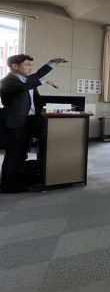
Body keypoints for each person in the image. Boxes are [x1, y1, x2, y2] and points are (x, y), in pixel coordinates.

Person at [0, 55, 66, 193]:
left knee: (22, 154)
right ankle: (8, 187)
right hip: (15, 123)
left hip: (27, 122)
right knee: (14, 155)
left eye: (31, 65)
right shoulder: (7, 81)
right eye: (27, 65)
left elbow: (38, 74)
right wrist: (44, 81)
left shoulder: (26, 79)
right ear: (15, 66)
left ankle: (17, 181)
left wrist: (51, 63)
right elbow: (21, 88)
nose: (30, 68)